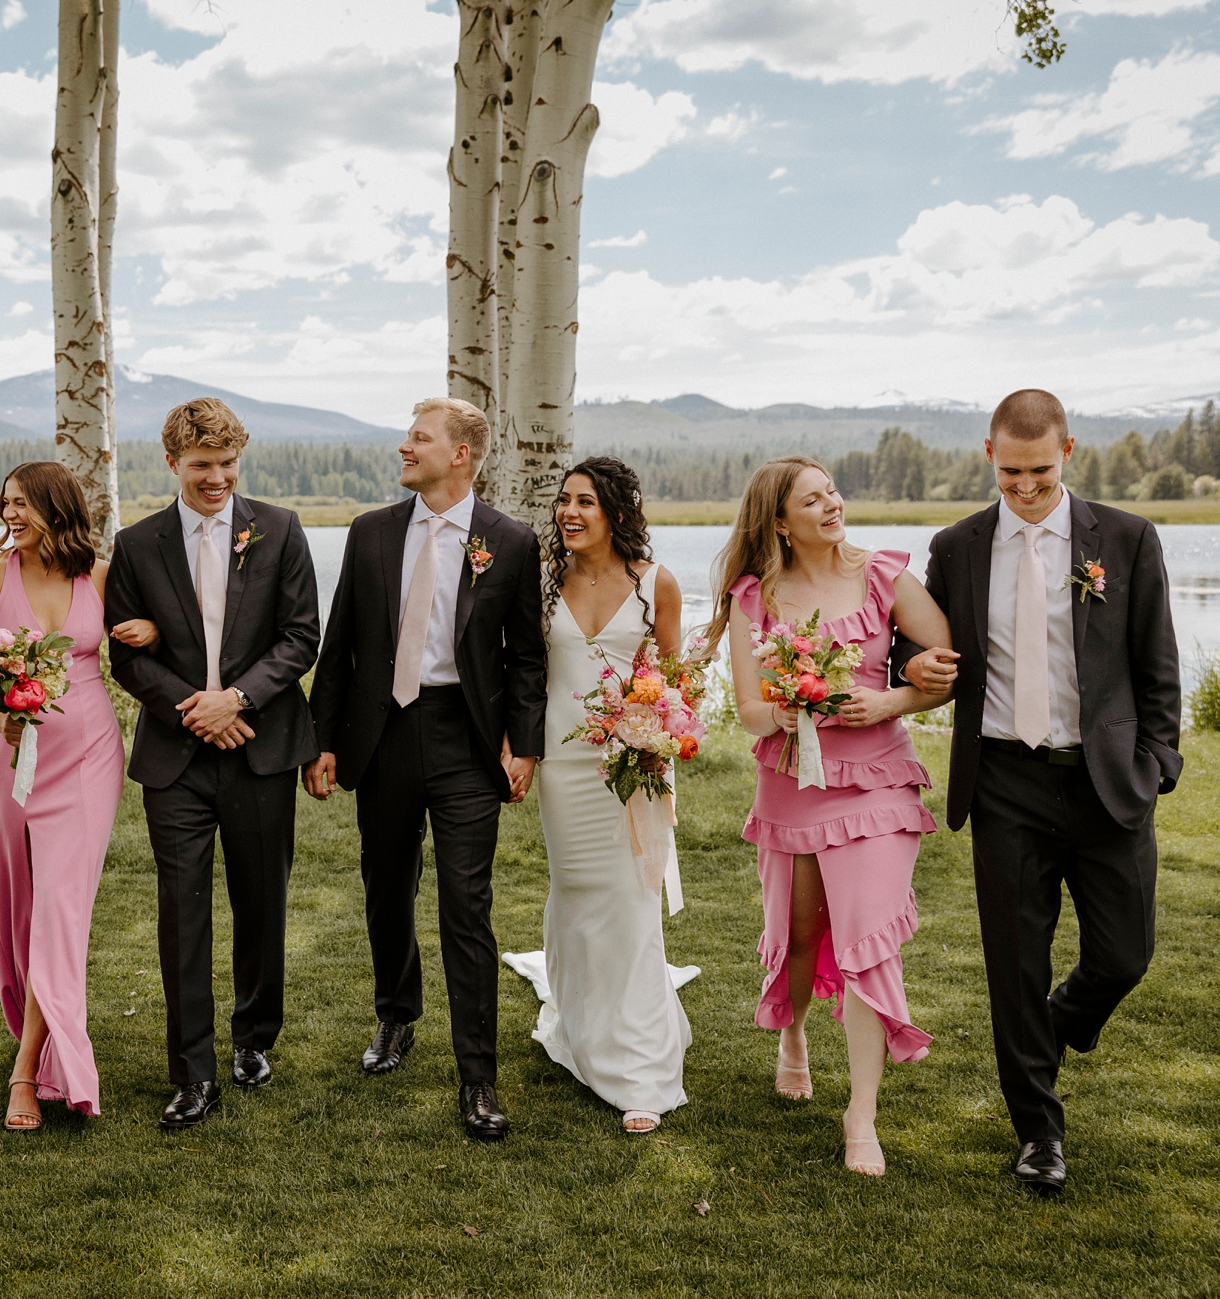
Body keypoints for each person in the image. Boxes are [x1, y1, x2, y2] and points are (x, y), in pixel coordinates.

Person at [899, 389, 1181, 1195]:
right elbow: (912, 648)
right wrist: (907, 669)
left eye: (1041, 471)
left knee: (1124, 954)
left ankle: (1054, 1030)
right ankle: (1039, 1134)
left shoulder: (1124, 539)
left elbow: (1156, 659)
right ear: (989, 453)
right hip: (1005, 783)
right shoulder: (957, 547)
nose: (1025, 487)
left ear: (1068, 454)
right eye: (1012, 471)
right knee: (1014, 965)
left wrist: (1159, 761)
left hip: (1107, 783)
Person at [307, 397, 547, 1142]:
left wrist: (524, 744)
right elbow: (340, 639)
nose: (404, 447)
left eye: (419, 438)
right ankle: (395, 1018)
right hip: (382, 734)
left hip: (466, 741)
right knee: (385, 885)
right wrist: (323, 738)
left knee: (465, 905)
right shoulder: (371, 532)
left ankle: (479, 1077)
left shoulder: (509, 541)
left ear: (462, 455)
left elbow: (526, 656)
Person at [709, 456, 953, 1176]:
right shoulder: (754, 598)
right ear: (779, 521)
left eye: (833, 493)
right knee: (805, 931)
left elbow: (942, 664)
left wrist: (893, 700)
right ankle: (793, 1037)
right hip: (793, 781)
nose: (831, 506)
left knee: (869, 940)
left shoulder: (883, 575)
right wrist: (789, 710)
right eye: (812, 501)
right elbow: (749, 708)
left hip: (878, 781)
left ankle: (862, 1115)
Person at [105, 399, 321, 1130]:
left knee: (262, 903)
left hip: (261, 748)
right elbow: (126, 656)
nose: (218, 479)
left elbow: (300, 638)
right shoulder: (137, 545)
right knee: (183, 912)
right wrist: (193, 709)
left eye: (228, 465)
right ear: (172, 464)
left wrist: (235, 700)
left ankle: (254, 1039)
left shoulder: (281, 528)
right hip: (176, 756)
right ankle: (192, 1071)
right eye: (202, 466)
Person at [502, 458, 697, 1135]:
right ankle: (583, 1030)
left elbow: (674, 679)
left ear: (616, 512)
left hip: (631, 763)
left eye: (585, 501)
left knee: (631, 900)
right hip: (561, 757)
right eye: (563, 502)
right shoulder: (544, 581)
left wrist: (656, 733)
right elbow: (523, 670)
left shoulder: (655, 585)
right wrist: (515, 744)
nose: (569, 513)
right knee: (578, 891)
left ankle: (642, 1068)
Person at [0, 461, 152, 1132]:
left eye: (24, 504)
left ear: (56, 506)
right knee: (22, 905)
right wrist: (0, 717)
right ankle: (40, 1034)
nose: (11, 514)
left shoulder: (99, 574)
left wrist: (149, 632)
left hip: (88, 755)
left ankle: (29, 1069)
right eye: (5, 503)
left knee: (61, 913)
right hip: (15, 756)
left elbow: (138, 640)